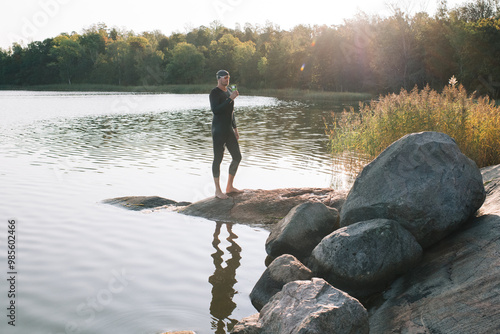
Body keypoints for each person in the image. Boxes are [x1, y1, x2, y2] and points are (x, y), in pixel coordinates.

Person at [209, 70, 242, 199]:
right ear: (219, 78)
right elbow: (216, 110)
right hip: (218, 130)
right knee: (218, 158)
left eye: (228, 77)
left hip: (228, 129)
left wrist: (235, 128)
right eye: (225, 77)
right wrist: (230, 99)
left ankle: (229, 187)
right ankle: (218, 190)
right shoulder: (214, 93)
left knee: (237, 156)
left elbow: (231, 112)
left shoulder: (228, 91)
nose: (227, 79)